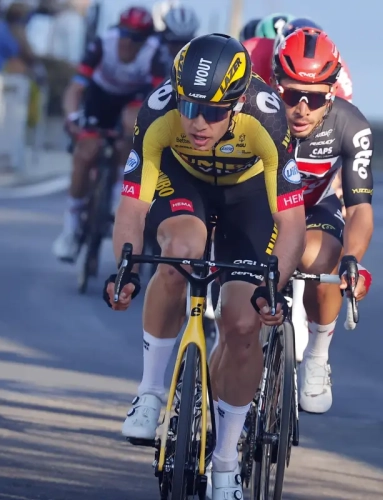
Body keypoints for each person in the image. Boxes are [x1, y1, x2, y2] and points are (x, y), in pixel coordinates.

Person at [103, 33, 306, 499]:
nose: (197, 122)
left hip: (248, 196)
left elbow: (291, 222)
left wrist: (274, 286)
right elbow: (132, 210)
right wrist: (126, 272)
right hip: (184, 183)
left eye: (214, 113)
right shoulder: (157, 112)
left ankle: (226, 463)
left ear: (236, 105)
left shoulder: (267, 117)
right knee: (177, 255)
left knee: (240, 322)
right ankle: (151, 392)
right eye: (189, 107)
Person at [272, 28, 374, 414]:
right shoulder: (252, 110)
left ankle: (317, 354)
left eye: (314, 98)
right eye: (289, 94)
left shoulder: (351, 125)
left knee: (323, 261)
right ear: (274, 84)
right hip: (260, 209)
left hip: (315, 209)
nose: (301, 108)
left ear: (332, 92)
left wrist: (354, 257)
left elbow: (360, 207)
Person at [53, 6, 166, 261]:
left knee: (132, 129)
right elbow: (75, 89)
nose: (128, 41)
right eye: (125, 33)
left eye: (136, 37)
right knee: (85, 152)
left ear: (146, 40)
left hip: (132, 100)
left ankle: (117, 191)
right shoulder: (103, 44)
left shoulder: (154, 53)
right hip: (100, 99)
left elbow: (160, 99)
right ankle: (70, 228)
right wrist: (72, 118)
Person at [242, 17, 354, 103]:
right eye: (292, 93)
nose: (302, 109)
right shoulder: (253, 52)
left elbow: (343, 117)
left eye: (315, 97)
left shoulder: (340, 73)